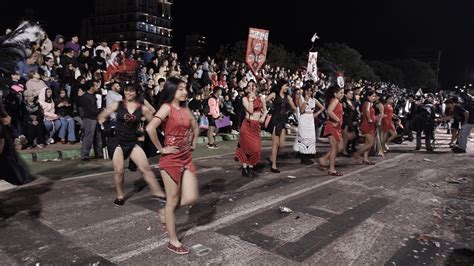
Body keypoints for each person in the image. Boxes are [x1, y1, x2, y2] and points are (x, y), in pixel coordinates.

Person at [146, 77, 199, 255]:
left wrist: (193, 141)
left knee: (191, 197)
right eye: (180, 89)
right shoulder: (166, 108)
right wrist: (162, 149)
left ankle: (164, 212)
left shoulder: (185, 109)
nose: (185, 92)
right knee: (173, 200)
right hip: (171, 160)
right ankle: (173, 241)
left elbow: (193, 125)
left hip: (186, 157)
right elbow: (150, 128)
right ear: (172, 91)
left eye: (185, 89)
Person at [98, 85, 166, 205]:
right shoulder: (117, 104)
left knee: (145, 168)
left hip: (132, 141)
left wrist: (144, 131)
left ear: (136, 92)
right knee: (119, 171)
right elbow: (101, 117)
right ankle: (120, 195)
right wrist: (108, 128)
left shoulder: (143, 108)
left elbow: (153, 124)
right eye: (126, 90)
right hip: (117, 141)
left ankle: (157, 192)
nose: (128, 93)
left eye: (131, 90)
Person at [236, 80, 268, 177]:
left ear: (256, 87)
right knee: (246, 149)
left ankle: (250, 168)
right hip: (247, 125)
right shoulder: (245, 99)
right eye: (249, 86)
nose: (251, 87)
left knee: (256, 149)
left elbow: (265, 110)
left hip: (256, 126)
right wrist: (251, 98)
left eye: (253, 85)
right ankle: (245, 169)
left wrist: (263, 116)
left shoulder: (261, 98)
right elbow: (250, 110)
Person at [265, 79, 297, 172]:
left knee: (281, 144)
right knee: (275, 144)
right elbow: (264, 101)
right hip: (275, 120)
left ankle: (271, 158)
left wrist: (293, 106)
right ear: (281, 86)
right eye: (286, 85)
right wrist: (268, 107)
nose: (287, 88)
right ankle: (273, 166)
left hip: (283, 121)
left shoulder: (288, 97)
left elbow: (294, 108)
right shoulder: (274, 94)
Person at [293, 85, 324, 164]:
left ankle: (307, 155)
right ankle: (303, 157)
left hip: (310, 120)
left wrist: (316, 113)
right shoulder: (301, 98)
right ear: (304, 91)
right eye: (307, 90)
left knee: (310, 137)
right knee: (303, 137)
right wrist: (306, 101)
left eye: (310, 91)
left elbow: (322, 107)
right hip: (304, 119)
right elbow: (302, 110)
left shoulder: (314, 99)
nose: (309, 92)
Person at [319, 86, 345, 176]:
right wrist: (338, 120)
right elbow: (329, 111)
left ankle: (323, 159)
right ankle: (331, 169)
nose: (343, 94)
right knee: (334, 148)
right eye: (341, 93)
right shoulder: (335, 100)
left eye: (343, 93)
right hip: (332, 126)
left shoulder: (337, 101)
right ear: (335, 94)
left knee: (339, 147)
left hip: (336, 127)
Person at [353, 89, 377, 165]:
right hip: (367, 124)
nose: (374, 97)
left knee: (367, 143)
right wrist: (369, 118)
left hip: (370, 125)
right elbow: (367, 111)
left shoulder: (368, 103)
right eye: (373, 96)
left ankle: (365, 159)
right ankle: (357, 153)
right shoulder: (368, 103)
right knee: (371, 143)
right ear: (368, 96)